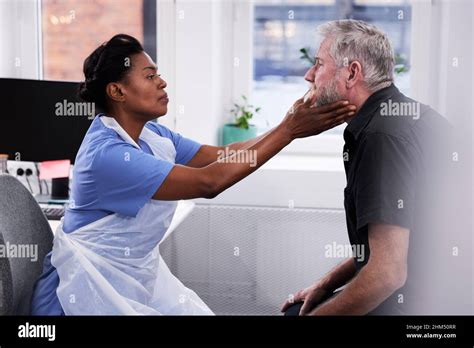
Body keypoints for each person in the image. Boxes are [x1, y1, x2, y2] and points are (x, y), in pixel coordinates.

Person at [30, 34, 356, 315]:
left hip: (133, 276)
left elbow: (222, 156)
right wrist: (289, 130)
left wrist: (290, 124)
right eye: (149, 75)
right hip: (82, 288)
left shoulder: (152, 135)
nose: (162, 82)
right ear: (117, 91)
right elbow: (208, 182)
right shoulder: (110, 155)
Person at [281, 20, 456, 316]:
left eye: (319, 64)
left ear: (352, 73)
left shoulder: (381, 138)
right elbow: (391, 242)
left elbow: (388, 273)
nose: (309, 75)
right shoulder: (405, 116)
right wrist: (325, 284)